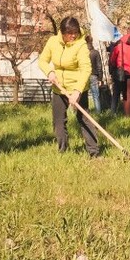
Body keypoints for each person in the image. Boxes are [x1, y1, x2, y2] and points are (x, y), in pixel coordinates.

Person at [37, 17, 100, 157]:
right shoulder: (53, 42)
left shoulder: (81, 45)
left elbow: (86, 69)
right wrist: (50, 72)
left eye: (75, 32)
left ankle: (94, 152)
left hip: (78, 87)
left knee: (84, 119)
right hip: (59, 88)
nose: (73, 36)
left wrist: (77, 91)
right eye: (69, 33)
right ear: (62, 32)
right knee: (58, 121)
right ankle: (63, 151)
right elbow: (42, 61)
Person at [85, 34, 104, 113]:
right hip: (94, 75)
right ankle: (98, 112)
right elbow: (99, 66)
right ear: (92, 41)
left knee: (84, 95)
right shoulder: (95, 52)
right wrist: (100, 78)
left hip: (84, 76)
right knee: (96, 96)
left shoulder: (83, 53)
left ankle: (85, 112)